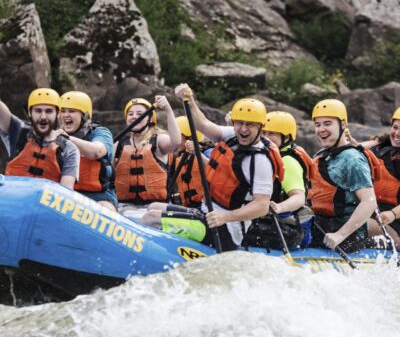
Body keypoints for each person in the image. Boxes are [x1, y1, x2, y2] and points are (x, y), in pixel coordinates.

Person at [142, 84, 284, 251]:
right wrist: (189, 99)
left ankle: (143, 257)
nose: (243, 129)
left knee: (152, 217)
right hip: (207, 212)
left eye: (250, 125)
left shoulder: (260, 161)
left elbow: (261, 206)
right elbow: (202, 124)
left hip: (226, 229)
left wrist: (225, 217)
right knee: (153, 207)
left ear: (260, 127)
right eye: (239, 123)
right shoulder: (233, 135)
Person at [308, 99, 378, 252]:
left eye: (327, 123)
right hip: (320, 229)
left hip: (346, 238)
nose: (321, 129)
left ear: (343, 125)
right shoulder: (320, 155)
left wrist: (340, 235)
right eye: (317, 125)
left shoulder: (352, 159)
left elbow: (369, 201)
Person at [245, 111, 313, 249]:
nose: (266, 138)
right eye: (263, 133)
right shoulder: (266, 156)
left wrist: (279, 207)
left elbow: (299, 197)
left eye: (272, 134)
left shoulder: (287, 161)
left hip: (287, 227)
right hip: (270, 221)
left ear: (286, 137)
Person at [114, 96, 181, 215]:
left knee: (150, 214)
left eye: (139, 113)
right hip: (125, 206)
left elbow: (176, 141)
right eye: (130, 114)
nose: (134, 116)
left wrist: (168, 109)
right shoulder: (119, 144)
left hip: (156, 206)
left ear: (150, 119)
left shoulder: (159, 140)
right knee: (126, 213)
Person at [0, 88, 79, 188]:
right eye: (38, 111)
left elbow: (66, 191)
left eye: (49, 111)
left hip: (44, 203)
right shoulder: (17, 132)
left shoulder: (68, 149)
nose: (43, 117)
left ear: (58, 114)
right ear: (30, 113)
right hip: (12, 200)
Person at [59, 91, 117, 211]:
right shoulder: (54, 135)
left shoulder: (100, 133)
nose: (66, 115)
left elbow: (97, 151)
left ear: (85, 115)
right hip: (68, 195)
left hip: (99, 197)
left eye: (71, 111)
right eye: (63, 111)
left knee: (106, 208)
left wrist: (66, 138)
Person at [364, 107, 400, 248]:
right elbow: (350, 151)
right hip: (373, 216)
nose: (397, 133)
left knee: (357, 224)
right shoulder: (382, 150)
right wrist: (378, 140)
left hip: (393, 225)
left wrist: (392, 214)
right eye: (395, 127)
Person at [168, 116, 206, 209]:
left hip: (205, 207)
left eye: (177, 136)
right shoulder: (179, 159)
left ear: (189, 137)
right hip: (189, 207)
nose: (175, 140)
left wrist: (197, 153)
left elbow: (218, 169)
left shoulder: (206, 152)